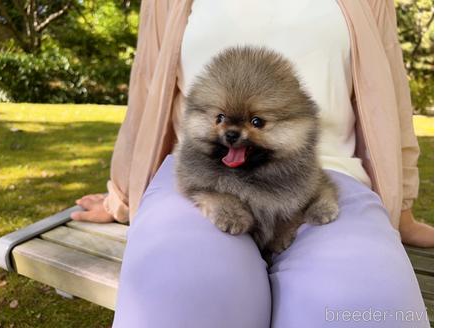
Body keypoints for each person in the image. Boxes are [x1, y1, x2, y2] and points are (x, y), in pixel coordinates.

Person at [70, 0, 433, 326]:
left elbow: (393, 105)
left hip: (328, 176)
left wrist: (400, 209)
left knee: (368, 308)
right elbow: (146, 91)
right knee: (180, 291)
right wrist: (121, 196)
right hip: (204, 174)